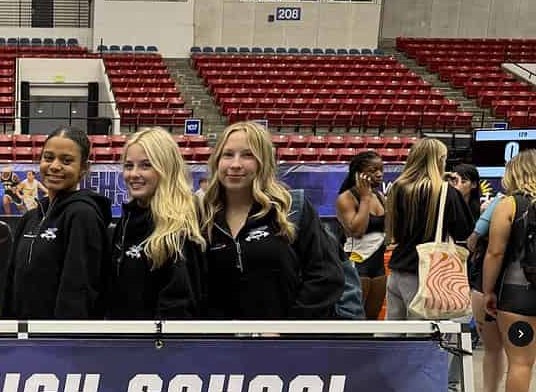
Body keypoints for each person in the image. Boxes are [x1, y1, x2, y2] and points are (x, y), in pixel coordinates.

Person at [198, 121, 343, 319]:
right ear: (216, 161)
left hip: (284, 343)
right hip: (223, 344)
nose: (235, 164)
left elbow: (326, 276)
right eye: (228, 154)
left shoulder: (292, 208)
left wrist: (287, 328)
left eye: (248, 155)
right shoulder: (201, 217)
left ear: (263, 161)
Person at [3, 126, 112, 319]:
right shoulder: (31, 217)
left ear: (84, 169)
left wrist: (61, 343)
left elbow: (79, 290)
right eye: (48, 157)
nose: (54, 166)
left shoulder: (83, 215)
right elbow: (12, 284)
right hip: (22, 341)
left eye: (66, 160)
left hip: (58, 343)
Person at [108, 127, 207, 319]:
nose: (133, 174)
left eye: (146, 165)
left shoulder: (181, 223)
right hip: (121, 341)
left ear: (166, 168)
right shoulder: (126, 220)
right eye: (129, 166)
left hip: (160, 345)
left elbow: (179, 305)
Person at [384, 138, 474, 320]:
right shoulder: (446, 192)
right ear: (439, 160)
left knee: (392, 333)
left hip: (398, 269)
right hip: (427, 273)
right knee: (421, 336)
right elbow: (464, 231)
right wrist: (457, 193)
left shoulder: (398, 188)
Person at [482, 150, 536, 392]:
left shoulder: (510, 204)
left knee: (520, 361)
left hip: (518, 296)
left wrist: (489, 290)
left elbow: (495, 252)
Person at [459, 163, 506, 392]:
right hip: (487, 281)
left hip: (510, 283)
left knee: (517, 353)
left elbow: (481, 242)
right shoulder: (500, 202)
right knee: (492, 345)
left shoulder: (506, 205)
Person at [335, 151, 387, 319]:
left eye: (381, 169)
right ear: (359, 173)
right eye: (373, 170)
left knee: (372, 319)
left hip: (378, 266)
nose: (379, 174)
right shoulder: (346, 198)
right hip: (357, 264)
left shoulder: (379, 196)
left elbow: (389, 232)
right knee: (355, 319)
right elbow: (357, 232)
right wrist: (364, 199)